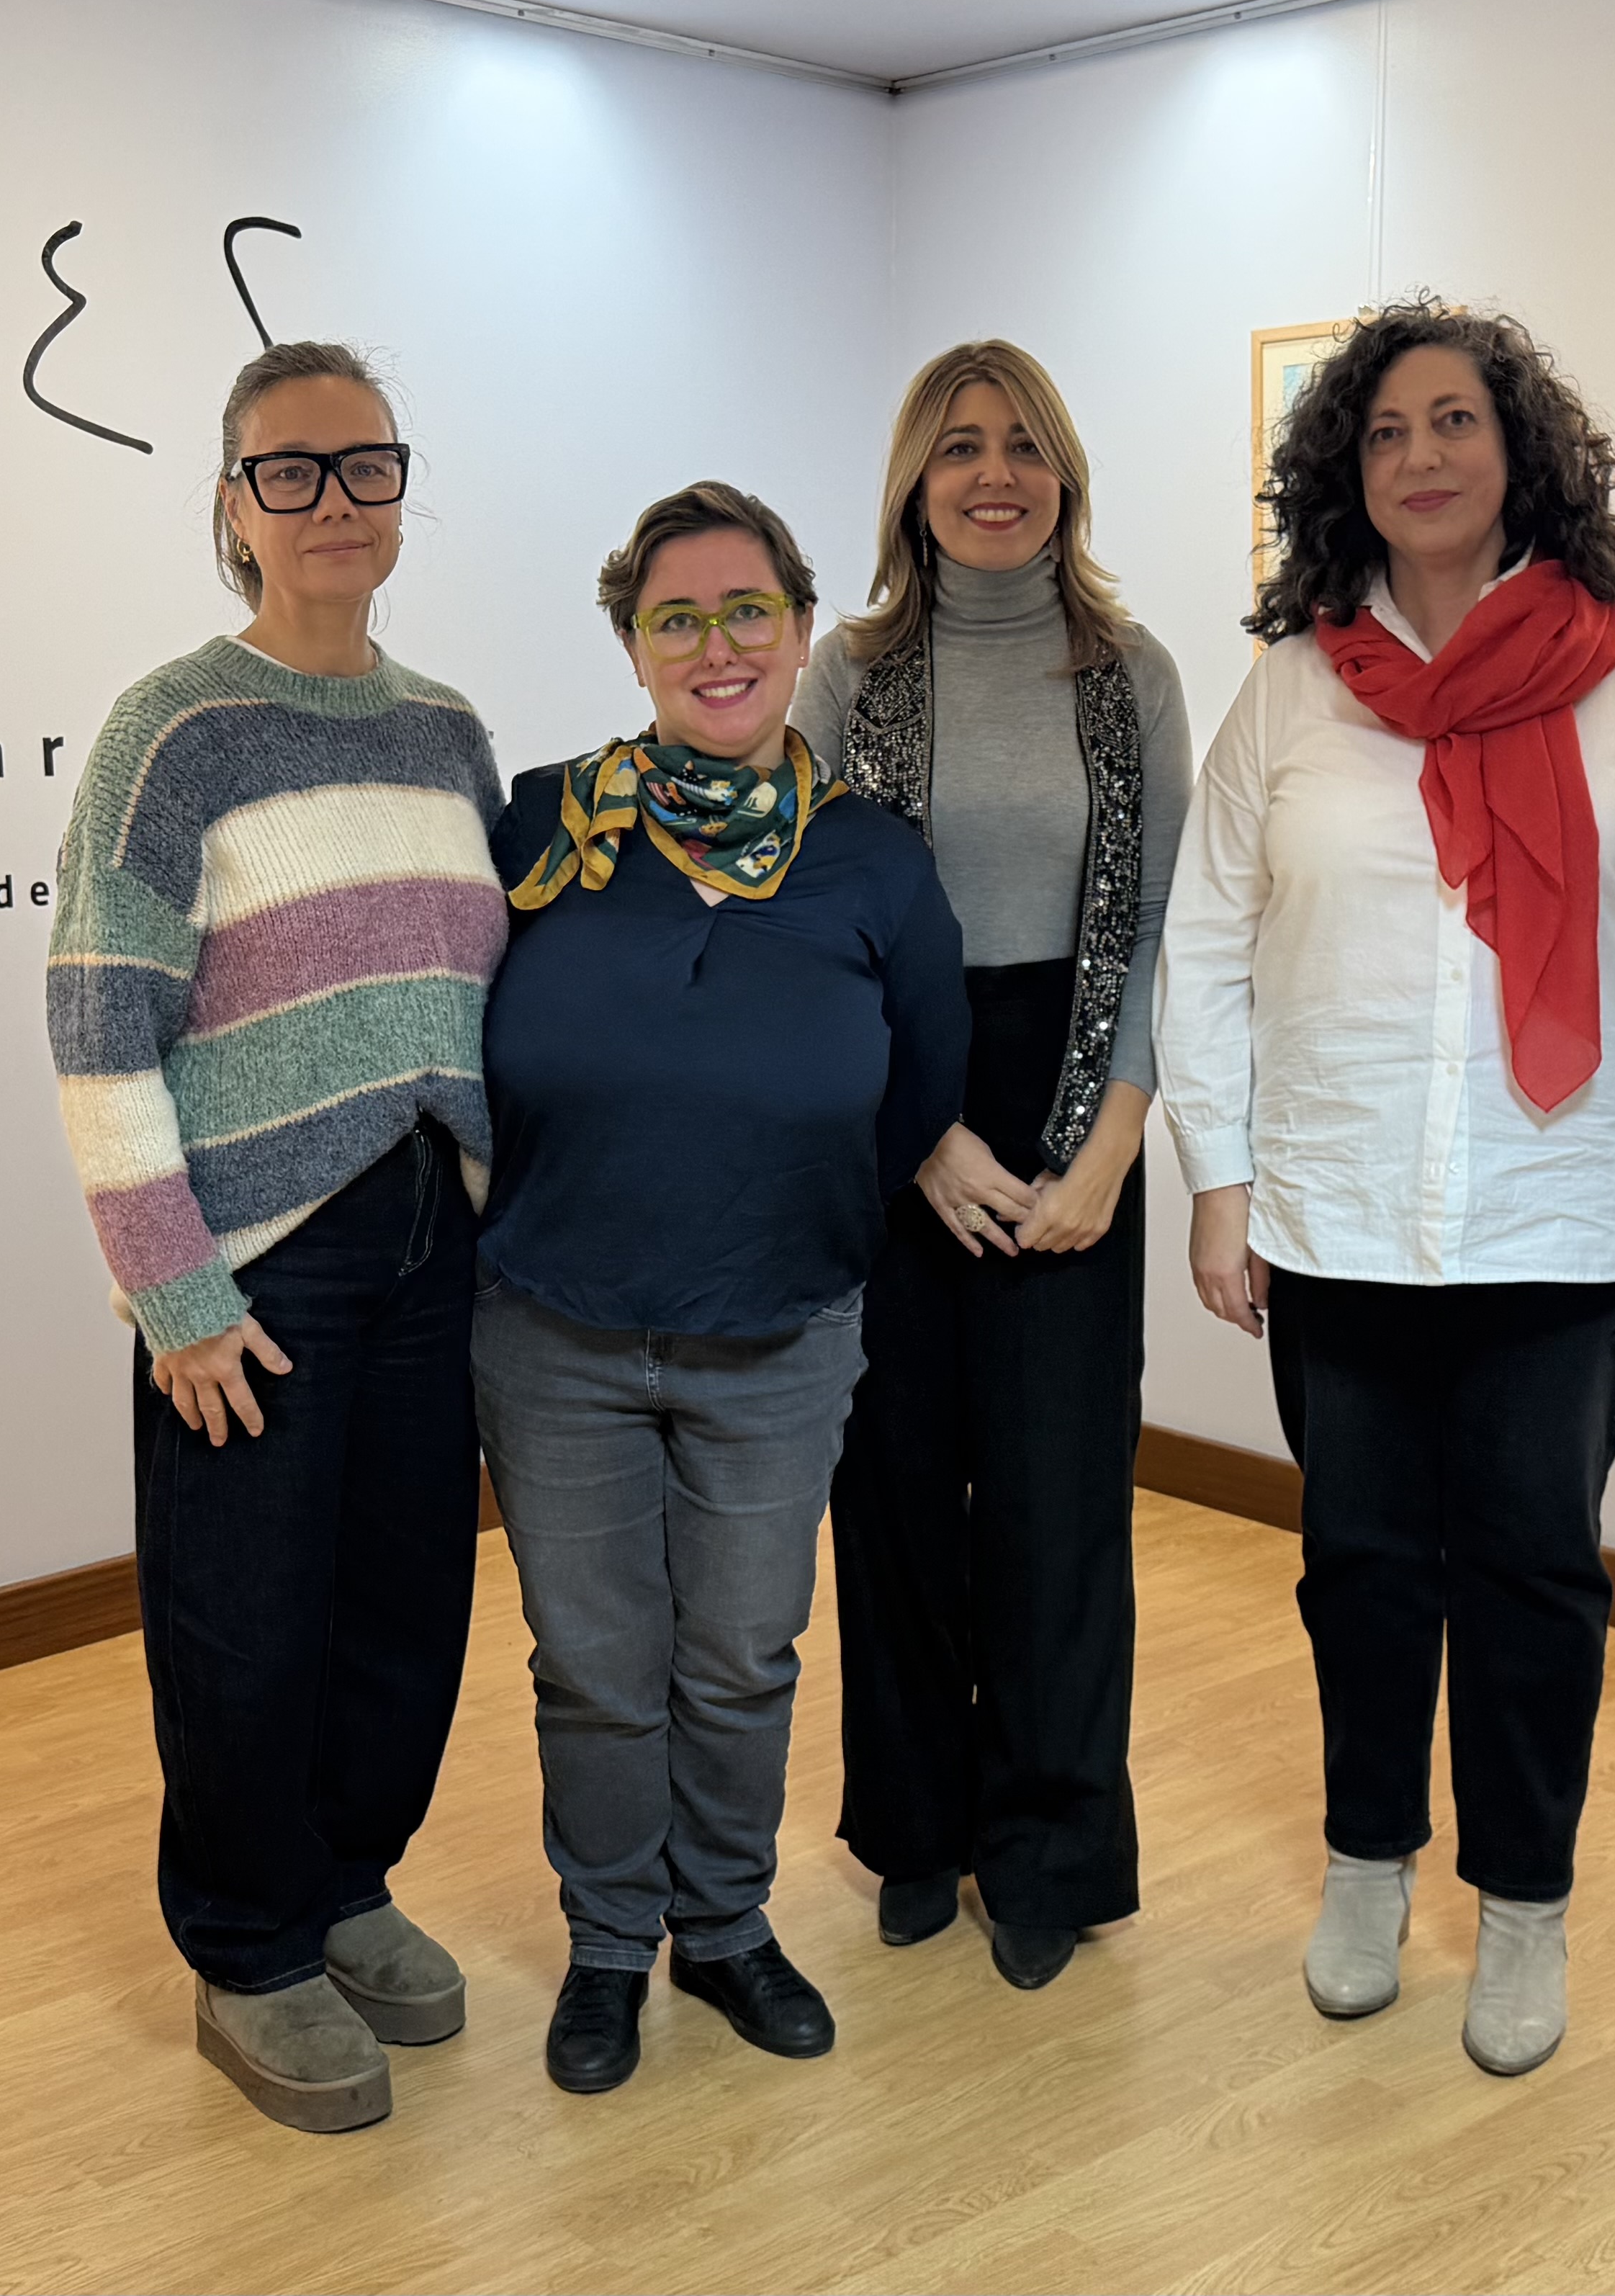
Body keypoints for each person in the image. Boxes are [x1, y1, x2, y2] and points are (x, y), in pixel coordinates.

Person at [1157, 300, 1615, 2077]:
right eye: (1385, 432)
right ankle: (1366, 1862)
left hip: (1557, 1208)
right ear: (1346, 474)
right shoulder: (1296, 682)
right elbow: (1207, 936)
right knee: (1359, 1565)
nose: (1420, 456)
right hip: (1336, 1206)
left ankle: (1524, 1901)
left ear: (1520, 452)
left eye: (1455, 421)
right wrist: (1220, 1176)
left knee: (1533, 1573)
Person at [44, 341, 503, 2136]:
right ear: (232, 506)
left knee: (405, 1600)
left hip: (430, 1234)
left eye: (364, 464)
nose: (332, 500)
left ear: (400, 490)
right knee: (242, 1620)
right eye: (288, 470)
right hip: (255, 1256)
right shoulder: (174, 732)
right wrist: (173, 1290)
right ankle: (249, 1948)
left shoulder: (446, 730)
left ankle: (347, 1883)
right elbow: (99, 1022)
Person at [476, 480, 968, 2096]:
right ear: (632, 646)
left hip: (783, 1328)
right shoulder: (543, 826)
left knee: (744, 1653)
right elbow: (457, 1037)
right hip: (556, 1328)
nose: (718, 645)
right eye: (676, 618)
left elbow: (922, 1087)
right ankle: (613, 1940)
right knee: (595, 1663)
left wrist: (777, 1189)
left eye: (748, 609)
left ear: (803, 628)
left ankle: (728, 1923)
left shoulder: (872, 857)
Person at [791, 341, 1192, 1993]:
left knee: (1057, 1505)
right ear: (915, 480)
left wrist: (1112, 1142)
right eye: (959, 446)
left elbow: (1164, 923)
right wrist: (920, 1130)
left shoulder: (1131, 672)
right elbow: (810, 924)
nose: (994, 474)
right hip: (895, 1107)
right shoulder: (849, 674)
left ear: (1065, 475)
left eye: (1023, 444)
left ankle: (1048, 1846)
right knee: (893, 1493)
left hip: (1077, 1105)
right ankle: (915, 1827)